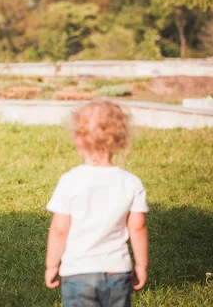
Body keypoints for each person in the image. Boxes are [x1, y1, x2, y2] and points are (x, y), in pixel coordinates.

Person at [45, 100, 149, 306]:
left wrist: (52, 265)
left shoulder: (70, 180)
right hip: (118, 271)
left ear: (78, 139)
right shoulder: (130, 182)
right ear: (121, 140)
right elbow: (138, 227)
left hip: (78, 272)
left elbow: (59, 229)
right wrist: (142, 265)